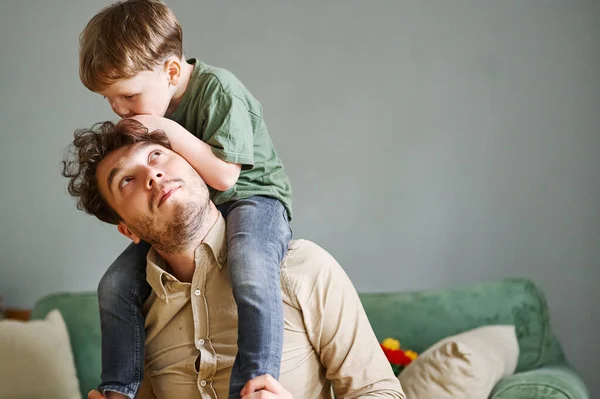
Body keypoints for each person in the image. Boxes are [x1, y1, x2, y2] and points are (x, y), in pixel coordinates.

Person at [61, 119, 405, 399]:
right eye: (126, 181)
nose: (152, 176)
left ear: (197, 166)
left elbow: (381, 392)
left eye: (156, 157)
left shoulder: (303, 268)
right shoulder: (134, 318)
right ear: (128, 231)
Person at [78, 1, 293, 397]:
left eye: (126, 95)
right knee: (113, 285)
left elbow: (226, 177)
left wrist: (165, 130)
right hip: (202, 215)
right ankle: (117, 389)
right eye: (108, 99)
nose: (119, 110)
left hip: (254, 198)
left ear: (172, 72)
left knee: (250, 263)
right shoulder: (155, 102)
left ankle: (257, 381)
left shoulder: (219, 90)